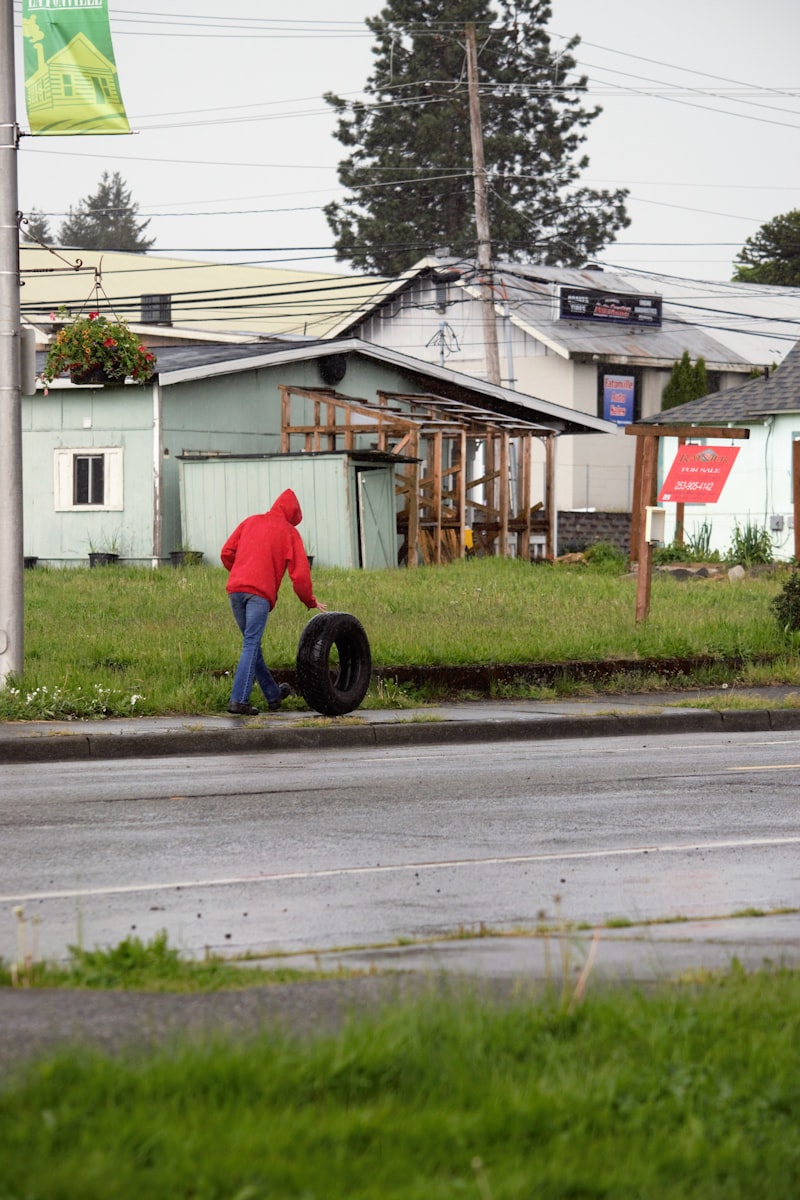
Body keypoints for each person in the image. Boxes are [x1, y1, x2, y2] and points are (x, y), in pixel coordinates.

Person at [220, 488, 326, 715]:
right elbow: (300, 576)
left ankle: (273, 695)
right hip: (258, 595)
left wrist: (240, 572)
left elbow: (226, 552)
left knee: (252, 644)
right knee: (250, 644)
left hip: (235, 590)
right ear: (293, 514)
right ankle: (238, 700)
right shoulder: (289, 533)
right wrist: (310, 600)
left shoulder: (250, 521)